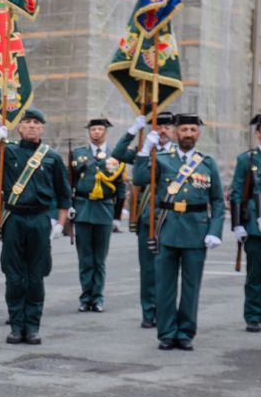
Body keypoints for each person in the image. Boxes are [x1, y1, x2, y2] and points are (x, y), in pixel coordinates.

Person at [0, 108, 72, 344]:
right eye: (27, 122)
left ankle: (33, 327)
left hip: (40, 220)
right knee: (14, 275)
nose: (31, 126)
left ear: (42, 128)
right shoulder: (6, 151)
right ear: (19, 127)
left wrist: (60, 224)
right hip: (14, 219)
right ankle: (16, 326)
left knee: (36, 276)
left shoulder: (52, 157)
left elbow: (64, 196)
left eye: (36, 123)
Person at [138, 113, 223, 350]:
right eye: (184, 130)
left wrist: (215, 230)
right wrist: (145, 151)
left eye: (192, 130)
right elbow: (139, 178)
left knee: (191, 286)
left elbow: (217, 201)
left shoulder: (207, 163)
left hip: (196, 231)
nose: (188, 134)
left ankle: (185, 332)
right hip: (166, 229)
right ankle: (166, 333)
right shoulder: (162, 159)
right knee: (165, 285)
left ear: (198, 134)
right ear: (176, 133)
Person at [67, 115, 135, 313]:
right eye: (93, 129)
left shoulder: (116, 154)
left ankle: (98, 298)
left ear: (106, 132)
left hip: (104, 209)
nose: (96, 132)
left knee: (100, 258)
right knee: (85, 258)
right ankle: (85, 296)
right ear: (89, 132)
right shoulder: (78, 153)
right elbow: (69, 182)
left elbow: (121, 187)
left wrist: (116, 216)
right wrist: (70, 205)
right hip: (82, 207)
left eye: (100, 129)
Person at [123, 110, 177, 329]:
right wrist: (133, 131)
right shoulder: (145, 152)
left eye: (166, 127)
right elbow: (118, 153)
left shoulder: (179, 155)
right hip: (149, 220)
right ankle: (149, 312)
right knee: (148, 271)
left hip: (173, 220)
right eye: (158, 126)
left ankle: (166, 312)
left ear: (173, 130)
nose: (162, 131)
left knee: (169, 270)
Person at [229, 114, 261, 334]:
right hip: (253, 222)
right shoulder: (247, 159)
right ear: (258, 131)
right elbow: (237, 192)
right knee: (256, 273)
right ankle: (253, 315)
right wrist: (238, 224)